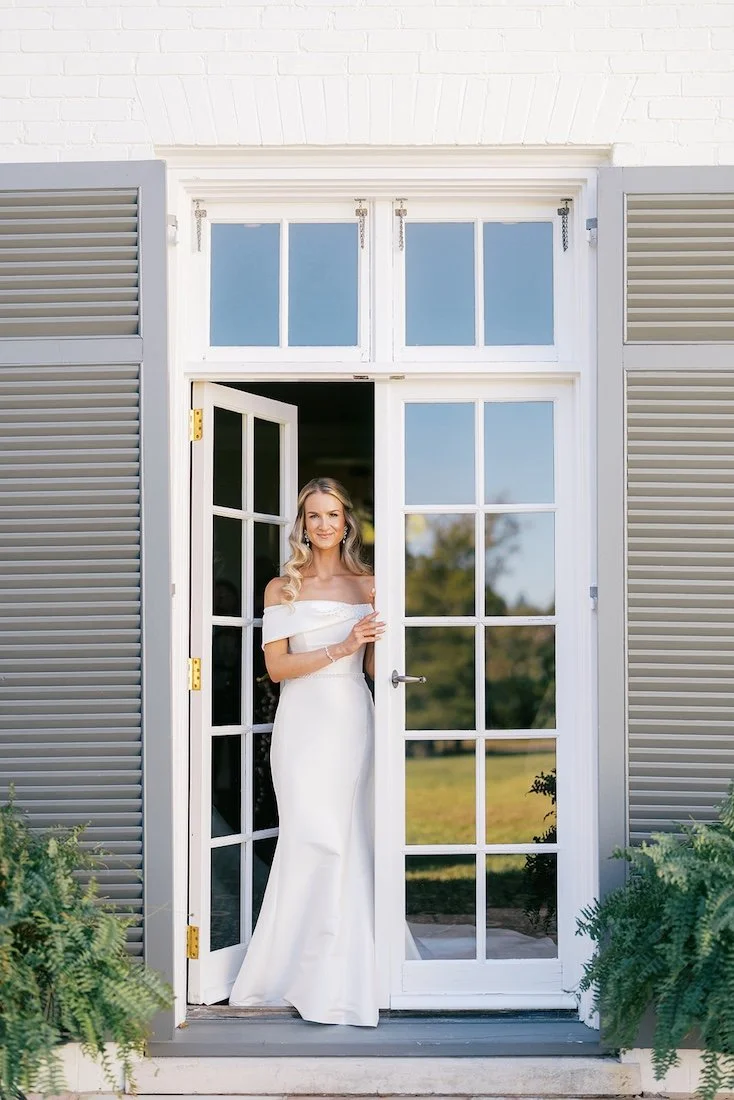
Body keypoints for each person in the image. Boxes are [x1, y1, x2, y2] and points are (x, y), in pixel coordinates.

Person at [229, 477, 385, 1026]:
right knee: (309, 835)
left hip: (349, 717)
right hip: (300, 721)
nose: (323, 525)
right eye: (313, 516)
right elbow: (277, 669)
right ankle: (293, 968)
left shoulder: (370, 585)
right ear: (303, 524)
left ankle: (346, 970)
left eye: (333, 514)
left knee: (345, 837)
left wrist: (381, 646)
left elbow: (376, 671)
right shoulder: (281, 588)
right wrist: (342, 644)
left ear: (347, 522)